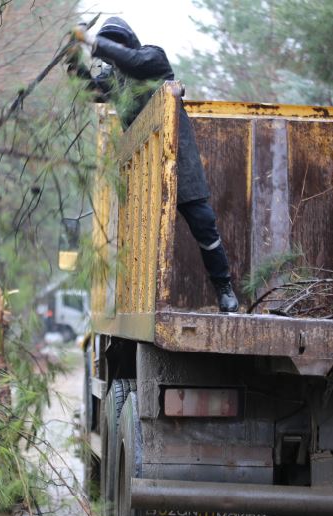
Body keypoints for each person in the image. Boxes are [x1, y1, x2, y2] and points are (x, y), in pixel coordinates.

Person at [68, 18, 239, 312]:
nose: (115, 53)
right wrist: (73, 59)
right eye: (110, 46)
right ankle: (140, 302)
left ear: (130, 42)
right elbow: (88, 91)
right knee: (141, 238)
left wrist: (92, 41)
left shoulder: (152, 59)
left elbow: (132, 60)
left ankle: (223, 287)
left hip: (179, 163)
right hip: (141, 171)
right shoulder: (114, 81)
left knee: (204, 225)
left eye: (118, 44)